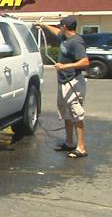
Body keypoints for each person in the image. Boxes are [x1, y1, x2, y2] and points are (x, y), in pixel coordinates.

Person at [36, 16, 89, 158]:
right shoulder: (65, 37)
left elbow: (85, 62)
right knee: (66, 113)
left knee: (76, 114)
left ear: (65, 27)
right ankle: (70, 143)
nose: (59, 28)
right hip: (63, 81)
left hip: (74, 82)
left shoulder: (76, 42)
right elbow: (55, 32)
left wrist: (65, 66)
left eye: (61, 26)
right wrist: (44, 25)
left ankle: (81, 147)